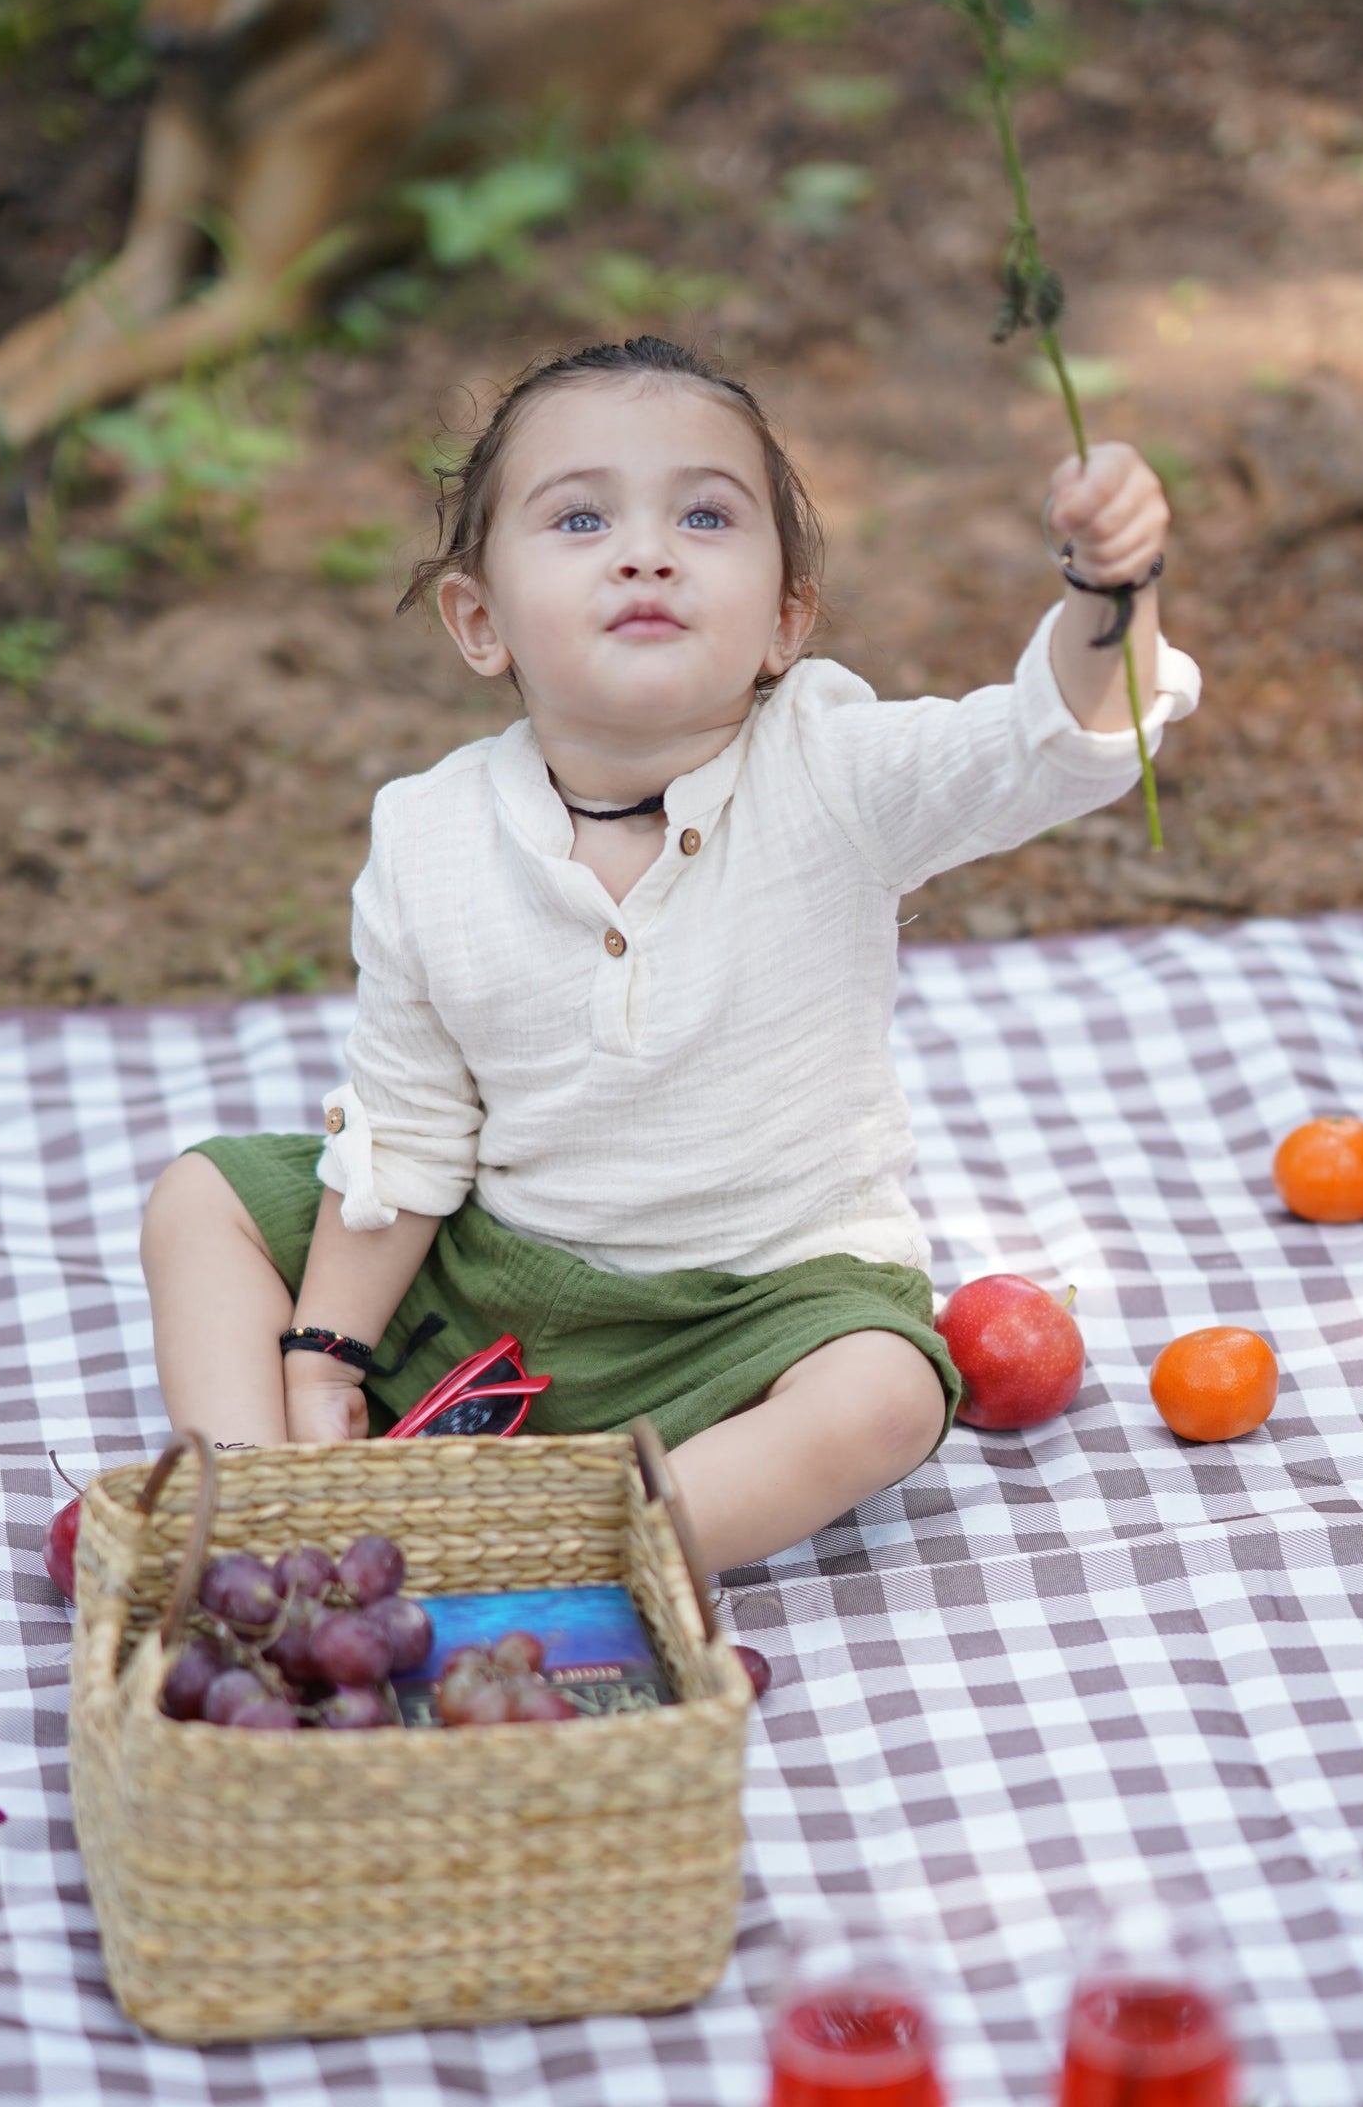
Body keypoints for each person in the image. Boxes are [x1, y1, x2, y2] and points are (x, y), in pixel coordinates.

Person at [141, 335, 1198, 1575]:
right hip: (499, 1279)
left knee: (887, 1393)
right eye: (579, 517)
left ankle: (570, 1550)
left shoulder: (833, 766)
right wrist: (325, 1355)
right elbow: (410, 1128)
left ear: (782, 620)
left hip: (750, 1313)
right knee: (200, 1197)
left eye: (704, 514)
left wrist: (1109, 594)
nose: (646, 550)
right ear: (479, 621)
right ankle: (257, 1505)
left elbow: (1047, 739)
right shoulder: (427, 834)